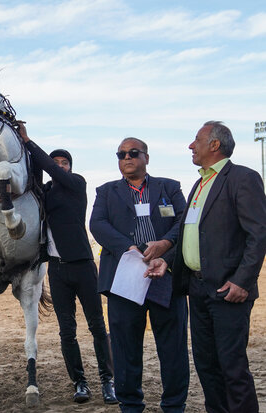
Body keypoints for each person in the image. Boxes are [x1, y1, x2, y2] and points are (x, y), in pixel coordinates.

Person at [149, 121, 266, 413]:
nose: (191, 146)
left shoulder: (242, 178)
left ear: (215, 145)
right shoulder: (199, 184)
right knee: (207, 366)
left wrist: (242, 281)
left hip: (229, 290)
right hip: (198, 289)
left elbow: (258, 234)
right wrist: (167, 259)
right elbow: (192, 234)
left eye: (196, 140)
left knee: (232, 367)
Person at [17, 123, 117, 404]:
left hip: (83, 266)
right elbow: (33, 181)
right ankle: (80, 383)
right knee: (67, 331)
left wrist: (29, 142)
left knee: (97, 326)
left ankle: (108, 381)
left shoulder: (77, 185)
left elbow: (48, 168)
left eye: (65, 163)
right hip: (57, 270)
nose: (60, 166)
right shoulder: (45, 193)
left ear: (70, 168)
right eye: (57, 162)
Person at [89, 137, 189, 412]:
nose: (126, 158)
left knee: (173, 348)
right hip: (125, 277)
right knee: (125, 349)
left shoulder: (169, 187)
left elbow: (184, 220)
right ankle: (130, 405)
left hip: (165, 275)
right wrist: (128, 247)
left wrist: (166, 246)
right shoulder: (106, 191)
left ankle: (174, 405)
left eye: (133, 153)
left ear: (146, 157)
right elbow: (97, 223)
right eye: (120, 154)